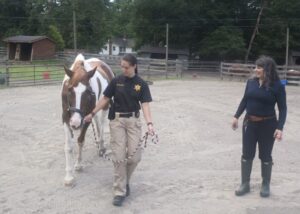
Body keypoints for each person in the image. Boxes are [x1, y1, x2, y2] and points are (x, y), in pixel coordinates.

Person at [84, 54, 154, 206]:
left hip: (134, 121)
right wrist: (92, 113)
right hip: (116, 121)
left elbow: (146, 104)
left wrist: (149, 123)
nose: (123, 69)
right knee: (119, 156)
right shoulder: (116, 81)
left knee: (135, 157)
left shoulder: (141, 84)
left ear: (134, 66)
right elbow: (105, 99)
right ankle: (119, 191)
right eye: (121, 66)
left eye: (126, 67)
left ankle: (125, 180)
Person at [231, 55, 287, 197]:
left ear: (267, 69)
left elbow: (283, 108)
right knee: (247, 153)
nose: (256, 70)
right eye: (256, 67)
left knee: (266, 155)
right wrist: (236, 116)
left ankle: (265, 184)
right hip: (249, 124)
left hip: (268, 125)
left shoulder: (278, 86)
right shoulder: (251, 82)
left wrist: (280, 128)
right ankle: (245, 184)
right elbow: (245, 100)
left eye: (259, 68)